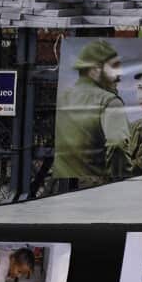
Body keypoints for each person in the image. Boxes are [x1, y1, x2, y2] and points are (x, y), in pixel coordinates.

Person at [52, 39, 128, 179]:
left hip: (62, 188)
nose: (119, 74)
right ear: (95, 70)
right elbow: (118, 145)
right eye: (114, 66)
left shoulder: (63, 98)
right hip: (97, 189)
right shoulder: (109, 101)